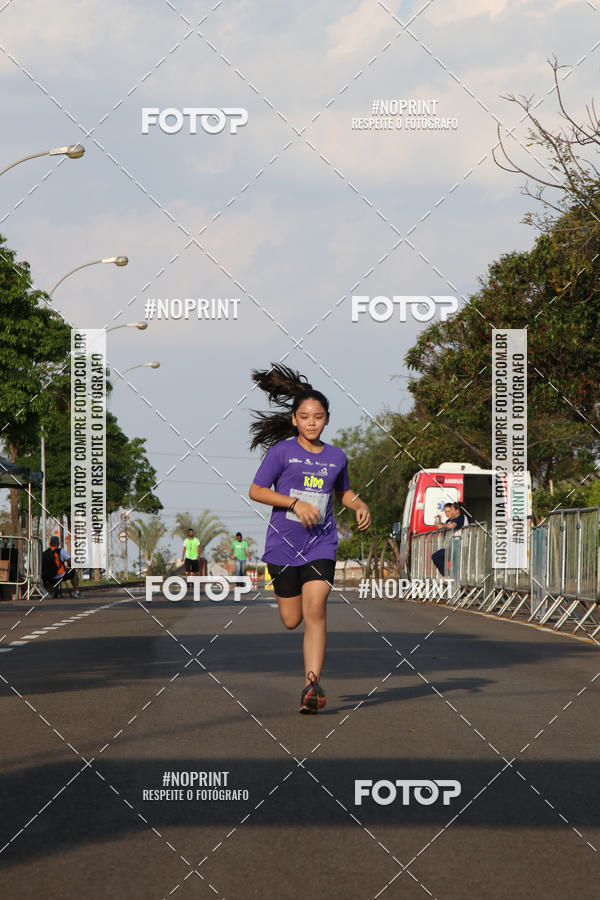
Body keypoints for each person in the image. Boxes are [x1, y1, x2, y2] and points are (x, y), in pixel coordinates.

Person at [248, 364, 371, 714]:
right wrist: (293, 502)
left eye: (318, 416)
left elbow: (343, 493)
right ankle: (309, 675)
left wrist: (359, 504)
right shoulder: (281, 453)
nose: (312, 422)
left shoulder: (336, 457)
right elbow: (256, 490)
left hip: (321, 542)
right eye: (305, 417)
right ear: (294, 420)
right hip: (282, 545)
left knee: (316, 608)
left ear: (327, 420)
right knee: (291, 619)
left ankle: (312, 685)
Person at [431, 502, 466, 576]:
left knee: (437, 556)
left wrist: (442, 525)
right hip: (451, 547)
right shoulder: (449, 521)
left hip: (459, 546)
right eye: (446, 511)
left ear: (457, 511)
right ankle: (447, 574)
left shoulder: (461, 517)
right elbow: (440, 526)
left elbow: (451, 526)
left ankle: (447, 575)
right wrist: (438, 522)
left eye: (451, 510)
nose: (448, 513)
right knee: (436, 556)